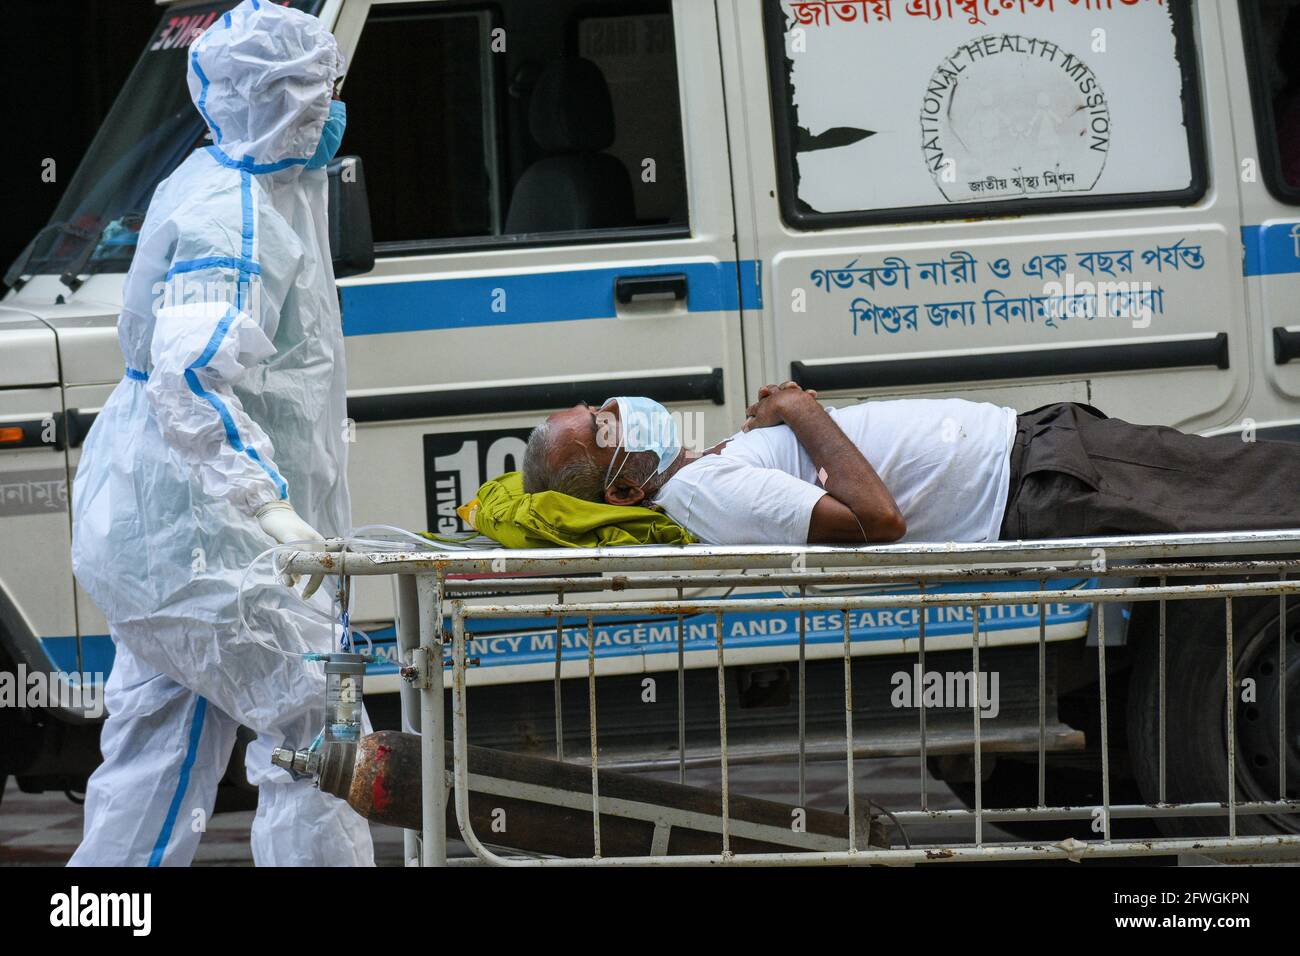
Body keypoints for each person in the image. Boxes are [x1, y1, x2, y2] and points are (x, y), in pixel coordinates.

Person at [69, 0, 373, 866]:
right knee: (320, 721)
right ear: (284, 103)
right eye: (323, 92)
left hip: (161, 535)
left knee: (154, 754)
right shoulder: (236, 217)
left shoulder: (224, 181)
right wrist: (271, 513)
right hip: (206, 541)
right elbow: (191, 376)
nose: (333, 108)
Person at [521, 385, 1300, 546]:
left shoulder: (700, 474)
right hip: (1037, 479)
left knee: (1253, 479)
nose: (614, 406)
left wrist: (780, 424)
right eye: (603, 423)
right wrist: (800, 412)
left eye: (600, 405)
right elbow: (877, 522)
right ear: (624, 486)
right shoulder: (704, 494)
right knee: (1263, 489)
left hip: (1041, 456)